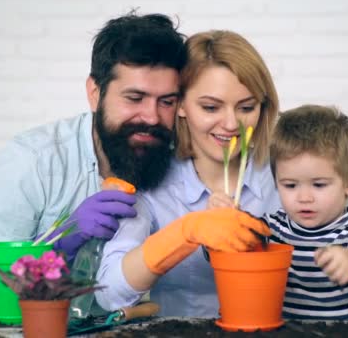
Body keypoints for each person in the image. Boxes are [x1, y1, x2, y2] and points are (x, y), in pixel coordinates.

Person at [0, 11, 187, 313]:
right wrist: (56, 249)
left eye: (167, 102)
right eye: (134, 98)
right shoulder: (33, 162)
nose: (151, 117)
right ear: (95, 94)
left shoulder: (183, 161)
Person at [96, 30, 282, 317]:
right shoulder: (152, 179)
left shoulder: (284, 176)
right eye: (210, 107)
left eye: (247, 107)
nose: (232, 123)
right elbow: (109, 294)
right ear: (180, 105)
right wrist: (186, 233)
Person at [264, 104, 348, 320]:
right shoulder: (271, 231)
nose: (304, 197)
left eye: (319, 185)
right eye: (290, 185)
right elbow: (230, 248)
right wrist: (224, 223)